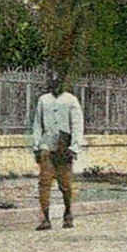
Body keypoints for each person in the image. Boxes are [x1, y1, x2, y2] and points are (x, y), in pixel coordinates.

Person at [29, 74, 85, 230]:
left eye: (58, 81)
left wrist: (74, 147)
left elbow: (77, 125)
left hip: (64, 148)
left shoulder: (71, 100)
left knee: (66, 185)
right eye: (52, 81)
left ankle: (68, 213)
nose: (55, 84)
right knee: (44, 183)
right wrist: (37, 146)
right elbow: (37, 125)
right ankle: (45, 219)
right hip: (47, 147)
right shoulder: (43, 100)